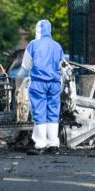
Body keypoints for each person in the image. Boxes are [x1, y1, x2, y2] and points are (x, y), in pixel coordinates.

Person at [20, 20, 64, 155]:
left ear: (37, 30)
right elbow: (61, 64)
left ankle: (40, 143)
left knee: (39, 112)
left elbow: (26, 66)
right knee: (53, 111)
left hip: (38, 83)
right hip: (55, 83)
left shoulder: (33, 45)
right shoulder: (57, 46)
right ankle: (53, 143)